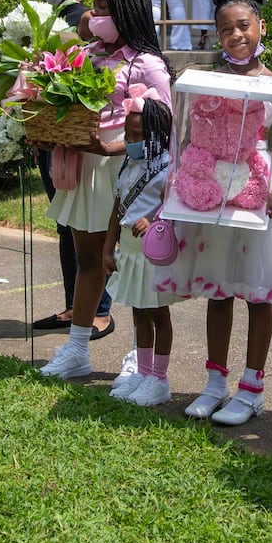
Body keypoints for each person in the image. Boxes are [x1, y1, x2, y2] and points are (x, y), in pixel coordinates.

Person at [163, 0, 272, 426]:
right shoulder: (206, 83)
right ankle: (213, 382)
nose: (236, 36)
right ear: (217, 34)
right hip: (214, 198)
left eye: (244, 25)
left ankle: (252, 386)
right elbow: (187, 138)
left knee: (256, 292)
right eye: (226, 29)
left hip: (256, 196)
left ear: (261, 26)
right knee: (218, 289)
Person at [38, 0, 172, 379]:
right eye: (94, 7)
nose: (93, 16)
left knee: (130, 263)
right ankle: (77, 348)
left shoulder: (148, 65)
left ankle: (139, 355)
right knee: (88, 260)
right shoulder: (85, 55)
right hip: (86, 164)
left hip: (126, 169)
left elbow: (162, 130)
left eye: (102, 9)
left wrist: (114, 148)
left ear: (125, 13)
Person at [32, 0, 116, 335]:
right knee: (67, 223)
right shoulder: (43, 16)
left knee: (88, 224)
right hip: (55, 137)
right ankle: (73, 304)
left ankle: (100, 309)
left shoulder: (80, 18)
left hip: (81, 139)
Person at [104, 95, 180, 406]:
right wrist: (109, 247)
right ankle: (143, 372)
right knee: (139, 311)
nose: (130, 141)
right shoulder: (128, 165)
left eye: (137, 136)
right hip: (131, 251)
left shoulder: (165, 169)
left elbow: (174, 206)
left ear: (157, 136)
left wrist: (154, 220)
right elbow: (117, 207)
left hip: (153, 253)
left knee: (157, 312)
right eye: (128, 134)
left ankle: (159, 379)